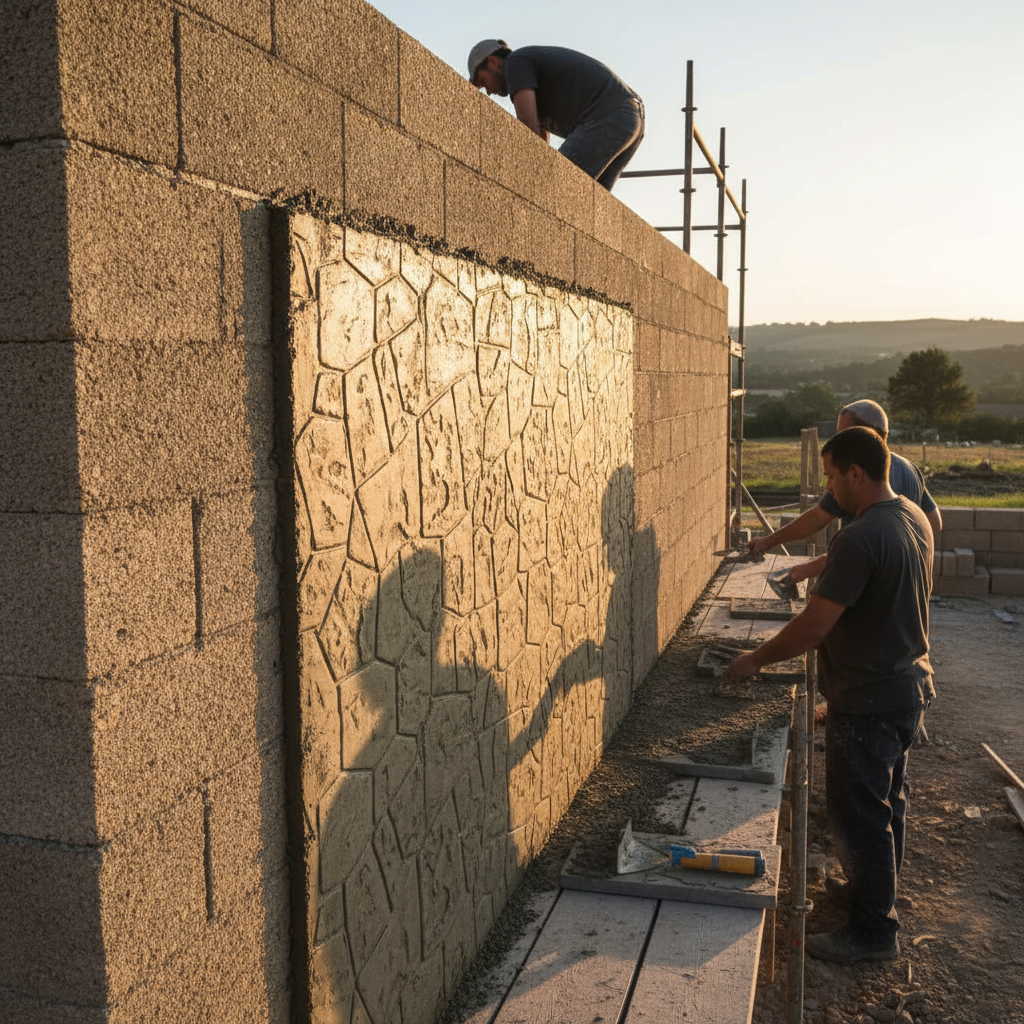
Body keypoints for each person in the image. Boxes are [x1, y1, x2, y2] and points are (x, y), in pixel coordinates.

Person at [728, 427, 934, 963]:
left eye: (832, 477)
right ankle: (872, 892)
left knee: (860, 813)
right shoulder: (912, 517)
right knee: (888, 802)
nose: (829, 488)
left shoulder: (859, 539)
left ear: (856, 475)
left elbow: (814, 626)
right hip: (908, 687)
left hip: (869, 701)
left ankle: (872, 933)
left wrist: (754, 659)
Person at [747, 400, 941, 586]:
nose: (839, 441)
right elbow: (934, 522)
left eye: (844, 434)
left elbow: (820, 520)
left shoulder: (856, 477)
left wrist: (773, 544)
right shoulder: (911, 469)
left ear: (866, 435)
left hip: (869, 592)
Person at [467, 39, 644, 191]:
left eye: (483, 82)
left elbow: (528, 129)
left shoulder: (515, 63)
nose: (488, 92)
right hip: (631, 119)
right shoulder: (530, 70)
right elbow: (539, 145)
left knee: (556, 190)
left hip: (608, 115)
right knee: (587, 207)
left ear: (493, 62)